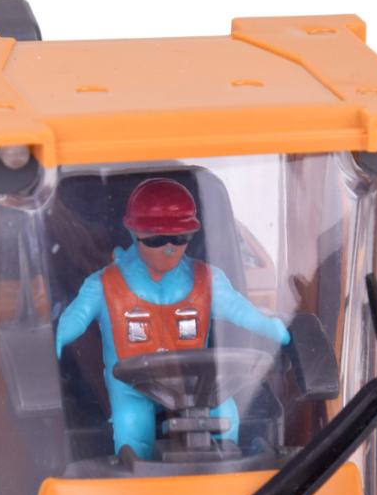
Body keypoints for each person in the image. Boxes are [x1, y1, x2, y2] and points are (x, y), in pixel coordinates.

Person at [55, 178, 290, 459]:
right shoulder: (103, 284)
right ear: (134, 232)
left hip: (196, 384)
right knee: (131, 427)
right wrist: (53, 343)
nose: (169, 248)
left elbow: (243, 312)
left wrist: (278, 330)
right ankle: (136, 472)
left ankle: (224, 470)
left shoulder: (208, 280)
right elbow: (76, 318)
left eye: (179, 238)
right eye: (156, 239)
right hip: (132, 386)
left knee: (225, 415)